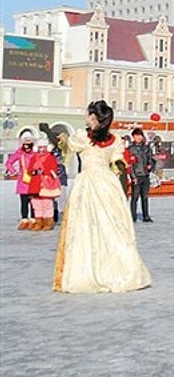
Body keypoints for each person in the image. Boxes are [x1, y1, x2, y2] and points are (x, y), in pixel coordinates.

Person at [46, 102, 152, 293]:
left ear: (93, 117)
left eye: (88, 114)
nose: (85, 116)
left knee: (85, 228)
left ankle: (88, 271)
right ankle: (125, 269)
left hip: (87, 184)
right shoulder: (115, 139)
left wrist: (55, 137)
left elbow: (67, 147)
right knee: (113, 227)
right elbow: (118, 162)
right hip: (108, 185)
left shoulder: (82, 137)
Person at [26, 138, 63, 231]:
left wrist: (44, 171)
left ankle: (48, 222)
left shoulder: (50, 157)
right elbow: (29, 170)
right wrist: (34, 171)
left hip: (46, 184)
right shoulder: (34, 158)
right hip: (35, 184)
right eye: (40, 147)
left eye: (44, 147)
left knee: (47, 203)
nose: (42, 150)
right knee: (36, 204)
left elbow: (53, 169)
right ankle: (39, 222)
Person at [6, 128, 37, 230]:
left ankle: (33, 220)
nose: (27, 148)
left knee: (33, 203)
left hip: (33, 181)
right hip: (23, 181)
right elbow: (9, 162)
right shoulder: (19, 153)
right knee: (24, 202)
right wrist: (14, 172)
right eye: (25, 145)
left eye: (29, 146)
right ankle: (24, 219)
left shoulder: (35, 154)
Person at [125, 127, 156, 223]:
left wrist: (151, 165)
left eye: (140, 135)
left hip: (145, 175)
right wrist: (133, 177)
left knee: (145, 197)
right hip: (137, 176)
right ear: (133, 137)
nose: (138, 137)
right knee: (135, 197)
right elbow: (130, 164)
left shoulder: (146, 148)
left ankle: (146, 215)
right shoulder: (130, 149)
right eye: (136, 135)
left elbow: (151, 159)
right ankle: (133, 216)